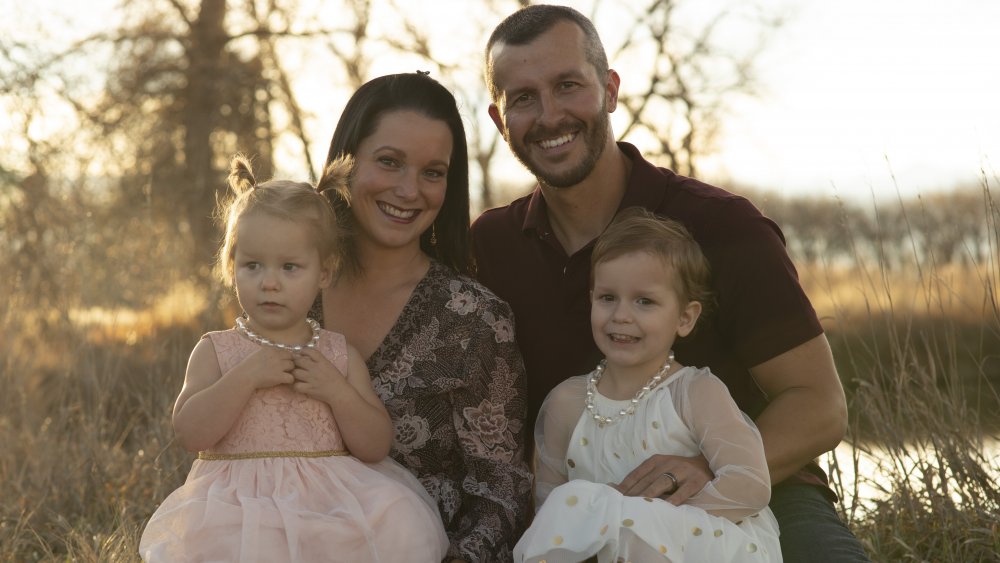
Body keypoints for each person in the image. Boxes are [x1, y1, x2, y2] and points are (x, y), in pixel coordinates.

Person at [472, 5, 870, 562]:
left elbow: (820, 405)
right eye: (523, 98)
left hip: (753, 496)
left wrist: (704, 472)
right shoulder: (490, 247)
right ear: (498, 118)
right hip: (593, 510)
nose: (550, 115)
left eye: (568, 86)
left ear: (610, 90)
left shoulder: (723, 227)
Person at [139, 155, 449, 562]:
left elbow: (375, 445)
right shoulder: (217, 350)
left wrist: (337, 392)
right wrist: (245, 376)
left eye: (290, 267)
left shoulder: (337, 355)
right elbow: (190, 433)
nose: (269, 282)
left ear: (324, 272)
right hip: (238, 515)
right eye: (252, 265)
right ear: (231, 267)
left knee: (393, 525)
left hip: (330, 512)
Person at [310, 72, 532, 563]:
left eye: (433, 172)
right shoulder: (292, 292)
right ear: (346, 161)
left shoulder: (474, 321)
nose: (409, 190)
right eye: (389, 162)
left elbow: (501, 491)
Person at [515, 208, 780, 562]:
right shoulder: (566, 402)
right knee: (567, 503)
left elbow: (750, 485)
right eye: (607, 297)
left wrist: (649, 520)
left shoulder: (695, 392)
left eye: (645, 301)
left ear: (685, 317)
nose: (621, 315)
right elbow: (551, 515)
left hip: (698, 549)